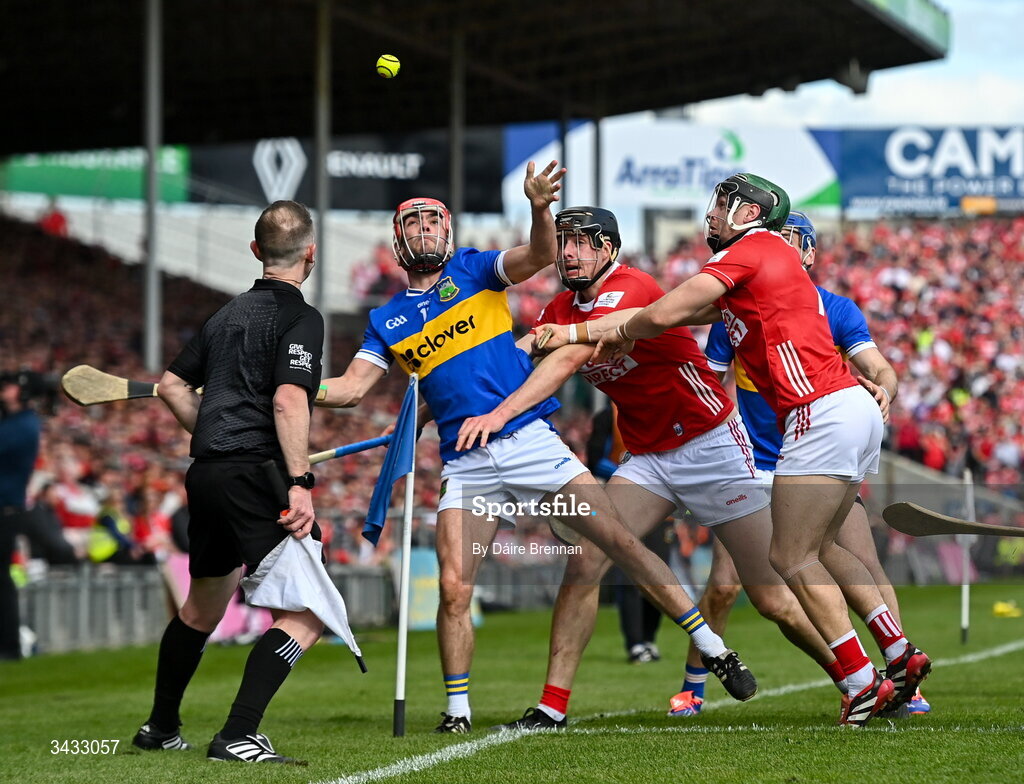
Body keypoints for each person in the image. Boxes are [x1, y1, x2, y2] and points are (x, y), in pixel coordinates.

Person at [319, 165, 758, 734]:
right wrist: (289, 381)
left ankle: (710, 646)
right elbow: (350, 389)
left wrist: (539, 208)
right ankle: (457, 713)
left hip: (530, 443)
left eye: (433, 221)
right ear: (398, 241)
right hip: (466, 460)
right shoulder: (385, 321)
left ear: (447, 231)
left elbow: (538, 255)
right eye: (414, 224)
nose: (425, 231)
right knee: (454, 587)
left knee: (619, 542)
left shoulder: (476, 268)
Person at [460, 206, 851, 731]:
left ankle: (855, 680)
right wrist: (458, 392)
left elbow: (569, 357)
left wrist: (504, 402)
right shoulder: (557, 306)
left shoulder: (632, 288)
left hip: (710, 444)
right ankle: (552, 707)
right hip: (646, 457)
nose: (569, 252)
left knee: (771, 597)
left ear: (608, 249)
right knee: (585, 562)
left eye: (582, 242)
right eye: (564, 242)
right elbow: (518, 362)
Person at [561, 175, 931, 727]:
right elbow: (685, 314)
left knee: (789, 557)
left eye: (718, 204)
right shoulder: (762, 269)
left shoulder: (751, 249)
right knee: (823, 546)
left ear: (747, 211)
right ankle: (897, 651)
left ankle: (859, 682)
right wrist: (582, 330)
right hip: (849, 410)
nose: (709, 214)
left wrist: (572, 336)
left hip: (817, 413)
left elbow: (661, 315)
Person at [671, 211, 930, 717]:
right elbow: (708, 387)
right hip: (758, 462)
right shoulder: (737, 307)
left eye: (791, 241)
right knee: (730, 585)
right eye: (772, 238)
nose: (777, 247)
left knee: (854, 565)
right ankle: (695, 685)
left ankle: (895, 682)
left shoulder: (835, 309)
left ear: (808, 254)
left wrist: (884, 389)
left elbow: (879, 368)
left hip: (818, 444)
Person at [132, 200, 327, 763]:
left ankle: (160, 727)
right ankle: (239, 733)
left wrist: (215, 434)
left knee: (202, 607)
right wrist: (299, 482)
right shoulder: (302, 318)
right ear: (310, 253)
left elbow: (170, 386)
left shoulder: (225, 316)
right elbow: (290, 398)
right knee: (310, 613)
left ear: (255, 250)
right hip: (255, 475)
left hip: (208, 473)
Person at [0, 372, 42, 660]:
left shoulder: (23, 424)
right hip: (8, 507)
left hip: (5, 508)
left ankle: (9, 645)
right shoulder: (16, 423)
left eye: (9, 386)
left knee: (2, 578)